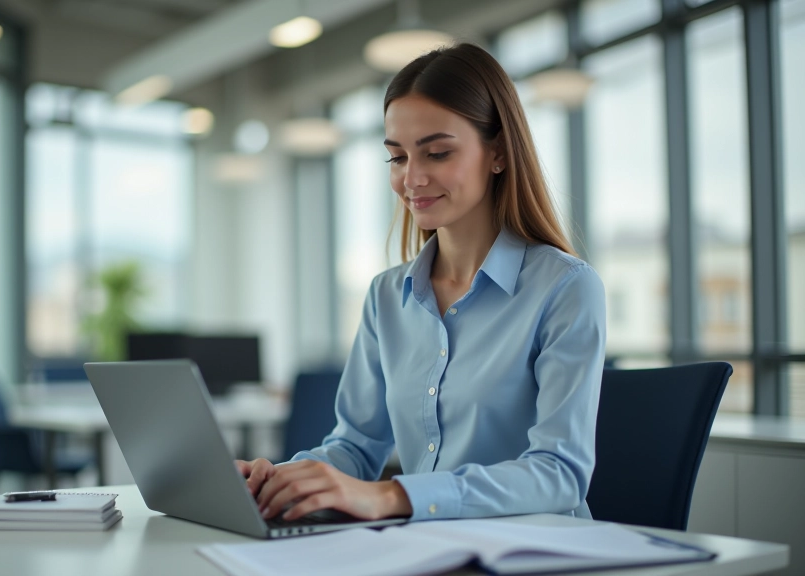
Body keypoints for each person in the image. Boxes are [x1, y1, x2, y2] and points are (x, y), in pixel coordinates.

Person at [238, 42, 606, 524]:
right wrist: (279, 480)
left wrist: (395, 497)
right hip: (428, 545)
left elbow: (560, 474)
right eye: (396, 157)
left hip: (540, 549)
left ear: (497, 153)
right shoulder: (387, 297)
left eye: (436, 153)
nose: (411, 178)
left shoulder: (565, 288)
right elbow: (354, 447)